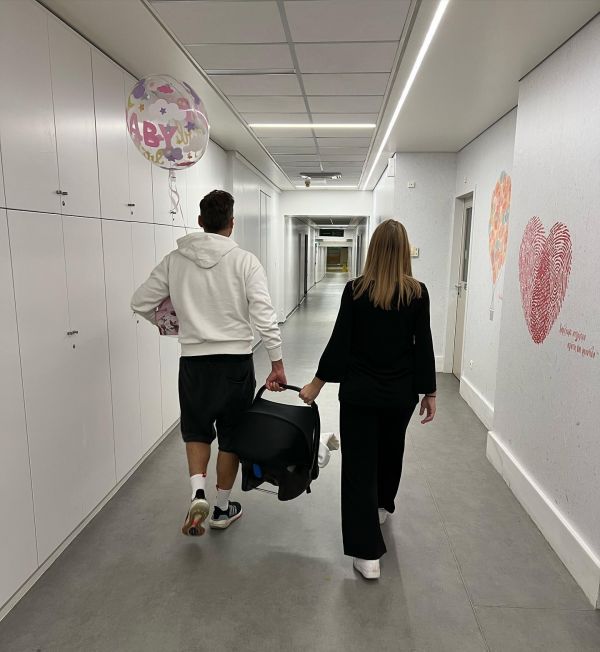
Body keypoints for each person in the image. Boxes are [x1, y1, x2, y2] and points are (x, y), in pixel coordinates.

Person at [131, 189, 286, 536]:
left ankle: (197, 492)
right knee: (231, 437)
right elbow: (264, 315)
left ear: (200, 221)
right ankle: (221, 508)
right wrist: (276, 362)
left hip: (194, 364)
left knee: (197, 431)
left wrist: (172, 324)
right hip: (235, 364)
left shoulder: (175, 260)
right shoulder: (245, 261)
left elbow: (140, 302)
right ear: (232, 223)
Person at [299, 219, 436, 580]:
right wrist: (430, 391)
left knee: (359, 467)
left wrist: (317, 383)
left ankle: (366, 554)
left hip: (360, 393)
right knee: (391, 452)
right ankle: (382, 505)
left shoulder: (356, 290)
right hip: (400, 395)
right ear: (405, 252)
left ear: (372, 250)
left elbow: (341, 342)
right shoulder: (417, 293)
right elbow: (423, 345)